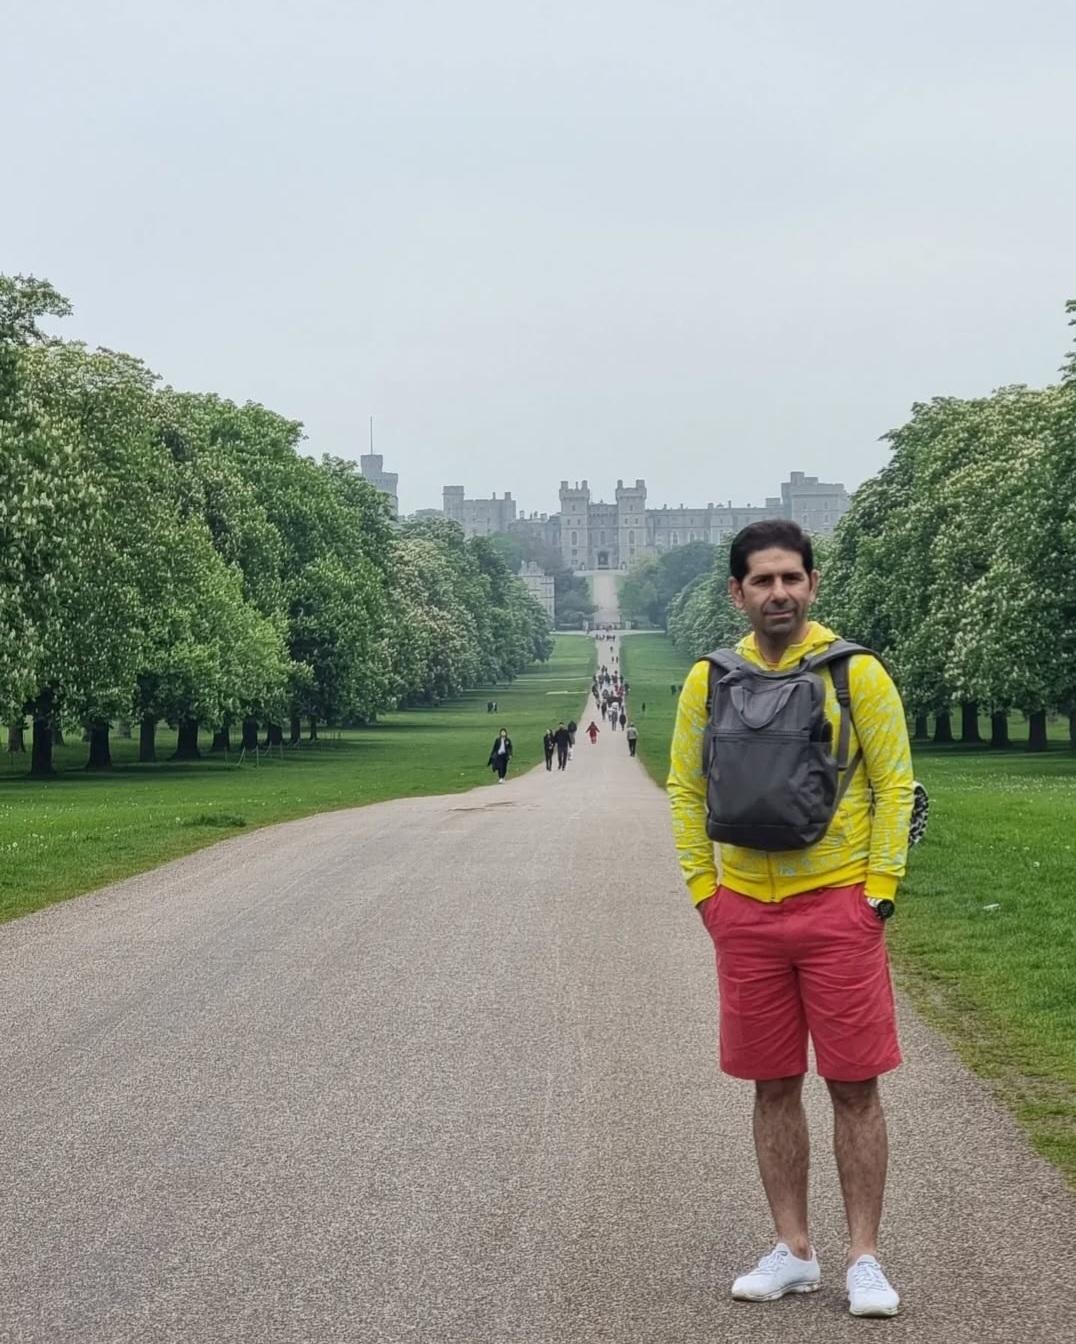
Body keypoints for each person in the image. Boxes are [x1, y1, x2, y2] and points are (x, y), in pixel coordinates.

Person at [667, 519, 913, 1320]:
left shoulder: (856, 672)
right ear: (736, 592)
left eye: (791, 578)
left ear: (812, 583)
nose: (779, 593)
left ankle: (864, 1258)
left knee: (854, 1086)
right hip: (745, 909)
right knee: (772, 1086)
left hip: (838, 904)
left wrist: (878, 892)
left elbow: (895, 785)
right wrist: (706, 893)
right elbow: (686, 789)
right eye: (763, 581)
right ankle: (793, 1248)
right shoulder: (710, 679)